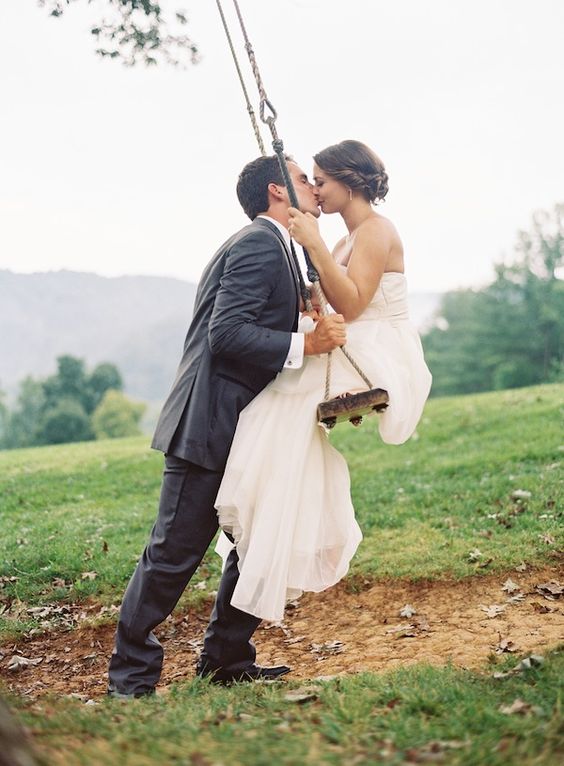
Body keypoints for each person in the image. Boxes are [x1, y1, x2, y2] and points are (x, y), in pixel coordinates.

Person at [107, 155, 347, 695]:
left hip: (247, 431)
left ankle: (225, 659)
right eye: (302, 178)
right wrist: (307, 342)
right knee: (173, 555)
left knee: (254, 539)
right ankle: (129, 678)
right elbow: (227, 335)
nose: (313, 185)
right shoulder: (258, 244)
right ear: (276, 192)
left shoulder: (284, 251)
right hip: (208, 426)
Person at [215, 139, 433, 623]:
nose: (314, 189)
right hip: (351, 342)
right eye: (309, 179)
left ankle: (273, 528)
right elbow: (334, 303)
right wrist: (310, 299)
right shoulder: (343, 240)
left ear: (350, 180)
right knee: (274, 427)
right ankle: (265, 520)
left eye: (321, 180)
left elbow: (354, 306)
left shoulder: (377, 230)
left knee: (276, 420)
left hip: (379, 351)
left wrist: (312, 244)